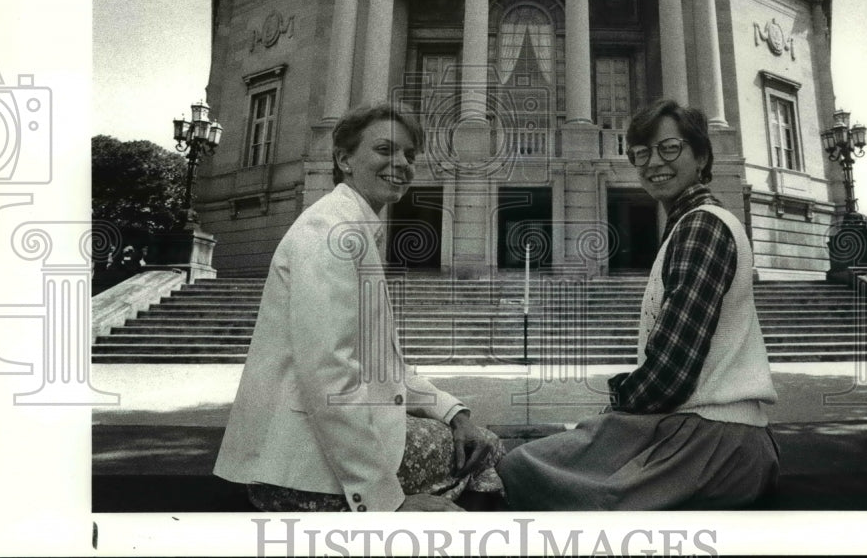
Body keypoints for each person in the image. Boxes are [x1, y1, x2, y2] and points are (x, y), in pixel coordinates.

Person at [214, 102, 503, 512]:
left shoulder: (351, 225)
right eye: (385, 150)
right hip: (303, 472)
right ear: (344, 159)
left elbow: (384, 368)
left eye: (409, 154)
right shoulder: (330, 231)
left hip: (312, 456)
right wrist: (387, 504)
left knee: (475, 440)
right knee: (487, 455)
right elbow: (329, 374)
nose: (401, 163)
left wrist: (454, 413)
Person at [498, 99, 779, 510]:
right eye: (641, 153)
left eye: (669, 148)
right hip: (704, 433)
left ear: (701, 155)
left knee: (522, 471)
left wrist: (614, 402)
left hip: (711, 442)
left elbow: (671, 371)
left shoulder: (701, 226)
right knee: (548, 457)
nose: (653, 163)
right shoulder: (692, 222)